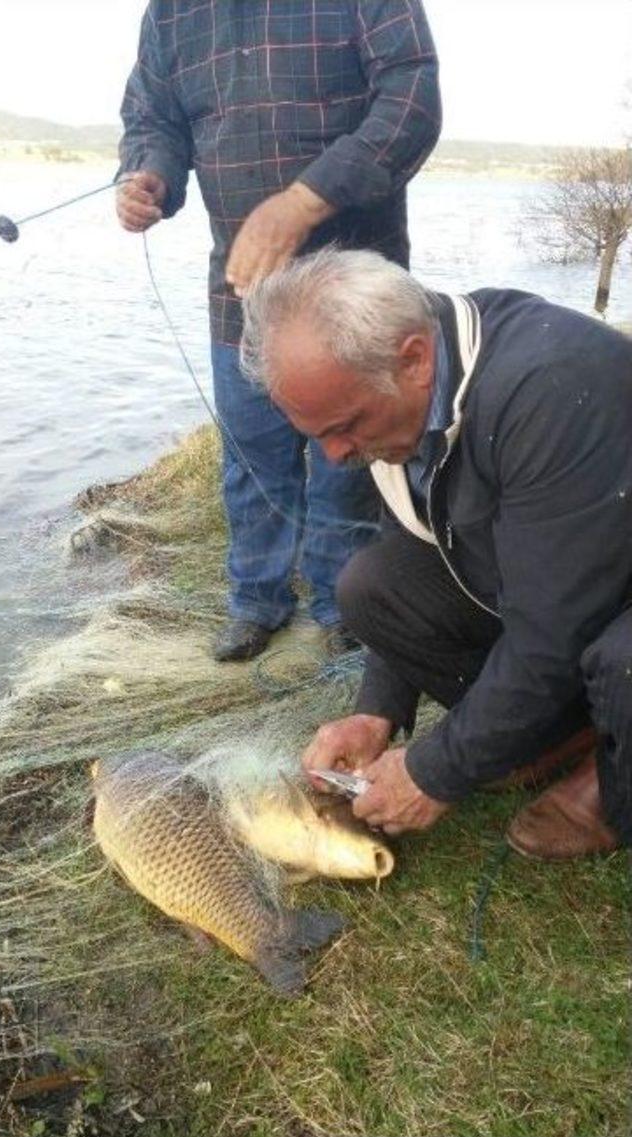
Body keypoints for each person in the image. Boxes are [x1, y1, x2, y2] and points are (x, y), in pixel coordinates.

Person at [240, 247, 632, 860]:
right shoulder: (396, 396)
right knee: (371, 584)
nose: (338, 454)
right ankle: (562, 733)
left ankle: (610, 780)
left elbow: (553, 630)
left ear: (415, 359)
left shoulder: (550, 386)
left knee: (621, 661)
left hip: (605, 600)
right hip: (564, 577)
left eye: (345, 427)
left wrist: (436, 772)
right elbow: (430, 546)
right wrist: (378, 712)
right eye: (319, 436)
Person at [115, 1, 442, 662]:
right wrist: (147, 174)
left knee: (348, 454)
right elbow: (154, 118)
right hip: (240, 291)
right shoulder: (172, 13)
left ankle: (343, 599)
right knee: (250, 456)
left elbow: (412, 101)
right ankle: (257, 599)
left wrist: (305, 200)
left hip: (354, 291)